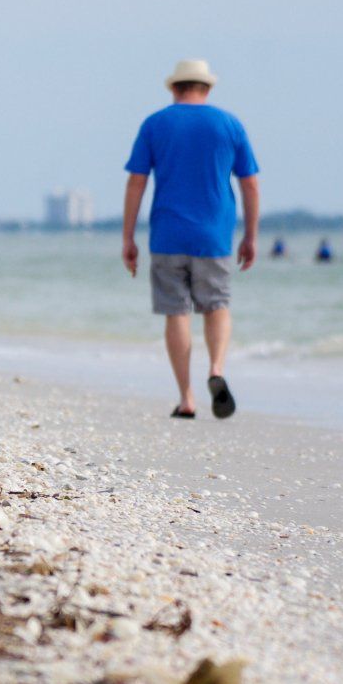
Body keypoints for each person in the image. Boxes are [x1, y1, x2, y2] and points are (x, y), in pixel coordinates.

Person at [121, 59, 260, 420]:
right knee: (216, 305)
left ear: (174, 88)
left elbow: (137, 182)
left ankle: (187, 399)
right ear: (207, 88)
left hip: (168, 233)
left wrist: (128, 238)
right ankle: (216, 369)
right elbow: (250, 183)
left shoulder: (155, 124)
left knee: (176, 312)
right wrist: (251, 236)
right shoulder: (229, 124)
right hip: (214, 234)